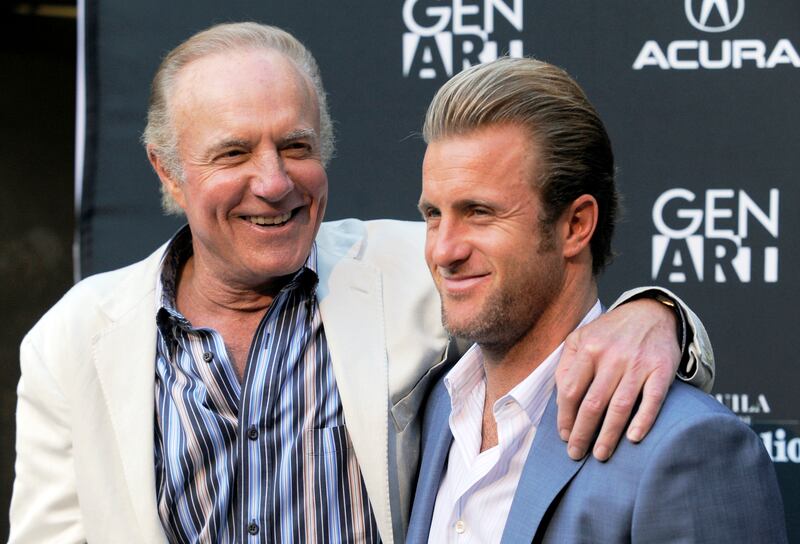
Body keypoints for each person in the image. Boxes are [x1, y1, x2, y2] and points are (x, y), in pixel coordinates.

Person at [10, 23, 713, 544]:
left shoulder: (416, 265)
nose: (274, 181)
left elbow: (544, 291)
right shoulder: (74, 340)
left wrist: (657, 316)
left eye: (296, 146)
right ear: (168, 170)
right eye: (233, 153)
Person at [406, 57, 787, 543]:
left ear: (576, 225)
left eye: (480, 212)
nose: (443, 250)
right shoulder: (431, 406)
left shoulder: (685, 445)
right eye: (433, 214)